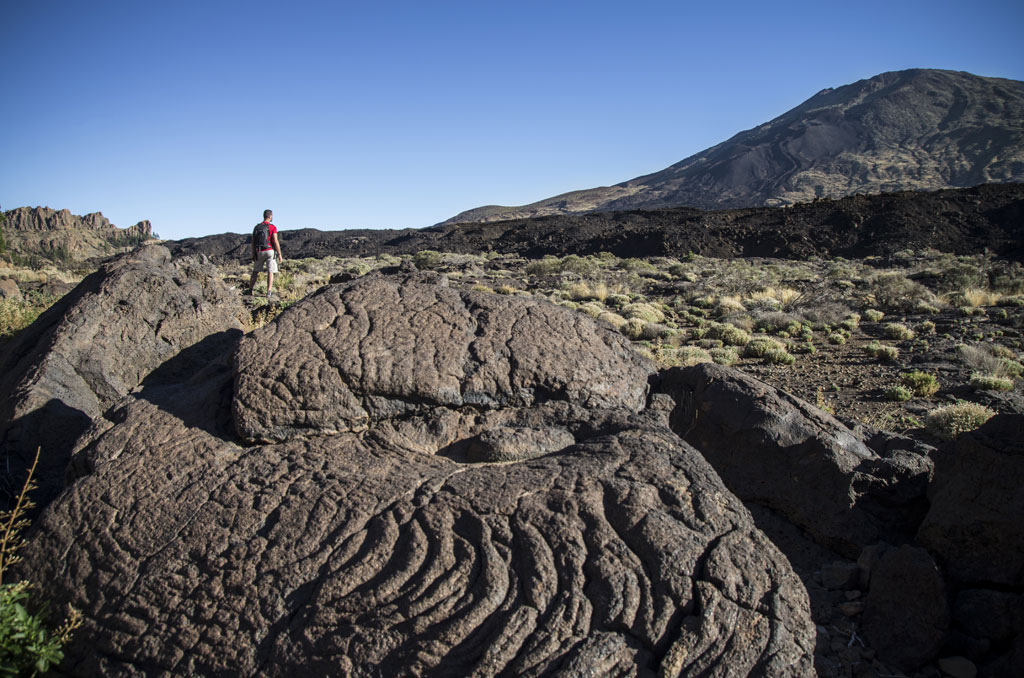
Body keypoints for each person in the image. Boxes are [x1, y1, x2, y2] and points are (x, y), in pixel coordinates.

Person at [247, 209, 284, 297]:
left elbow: (253, 242)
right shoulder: (272, 227)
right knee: (270, 271)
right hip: (269, 251)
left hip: (259, 251)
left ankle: (250, 290)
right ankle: (269, 291)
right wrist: (279, 254)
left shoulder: (257, 227)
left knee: (255, 271)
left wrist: (253, 253)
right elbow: (275, 241)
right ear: (270, 216)